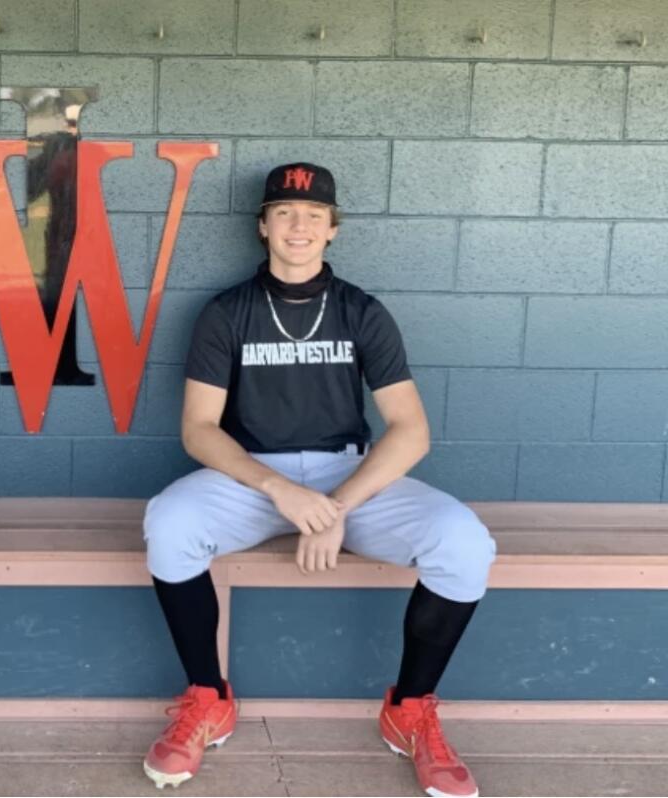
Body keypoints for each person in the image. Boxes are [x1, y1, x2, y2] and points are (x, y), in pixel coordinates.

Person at [140, 163, 495, 797]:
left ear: (332, 230)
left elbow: (410, 431)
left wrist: (333, 506)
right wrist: (279, 489)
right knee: (169, 524)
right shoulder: (227, 313)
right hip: (251, 480)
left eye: (312, 216)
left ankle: (409, 709)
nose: (297, 226)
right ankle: (208, 696)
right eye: (283, 213)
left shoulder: (362, 311)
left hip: (347, 477)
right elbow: (198, 430)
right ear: (262, 227)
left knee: (465, 543)